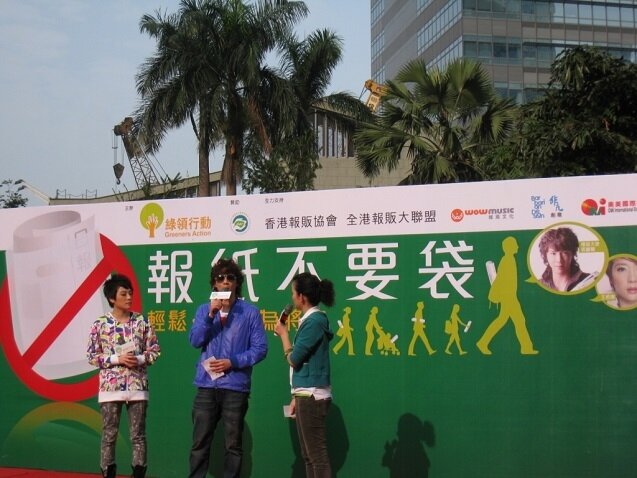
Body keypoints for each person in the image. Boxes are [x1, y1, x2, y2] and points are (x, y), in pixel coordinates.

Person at [188, 258, 268, 478]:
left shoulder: (249, 312)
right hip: (206, 385)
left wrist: (233, 361)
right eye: (220, 278)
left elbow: (260, 349)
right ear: (214, 283)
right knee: (199, 443)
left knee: (233, 445)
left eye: (230, 278)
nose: (225, 282)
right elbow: (195, 341)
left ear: (237, 282)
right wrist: (210, 315)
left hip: (235, 386)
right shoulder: (204, 309)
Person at [86, 274, 161, 478]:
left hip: (137, 387)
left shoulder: (141, 321)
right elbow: (92, 356)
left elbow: (154, 351)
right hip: (110, 388)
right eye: (124, 294)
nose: (129, 297)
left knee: (138, 435)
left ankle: (139, 472)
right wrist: (116, 359)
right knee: (109, 435)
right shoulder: (100, 324)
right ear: (112, 298)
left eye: (130, 293)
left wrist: (138, 359)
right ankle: (108, 472)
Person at [274, 272, 335, 478]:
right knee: (309, 456)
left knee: (317, 456)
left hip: (312, 396)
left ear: (302, 297)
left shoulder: (314, 321)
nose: (292, 298)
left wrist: (284, 334)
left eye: (293, 293)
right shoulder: (310, 321)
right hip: (305, 393)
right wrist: (295, 395)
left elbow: (294, 359)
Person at [537, 227, 592, 292]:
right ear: (545, 255)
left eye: (565, 253)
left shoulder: (589, 281)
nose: (559, 260)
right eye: (553, 253)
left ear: (572, 254)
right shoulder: (538, 285)